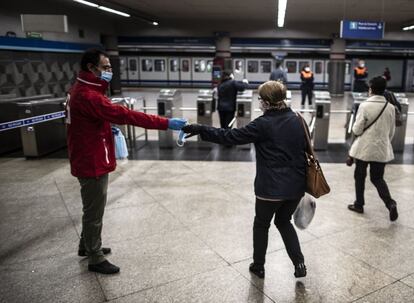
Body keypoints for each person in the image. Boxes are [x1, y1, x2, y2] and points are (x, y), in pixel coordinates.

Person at [66, 49, 187, 274]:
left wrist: (102, 126)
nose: (110, 71)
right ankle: (95, 256)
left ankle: (87, 245)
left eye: (110, 67)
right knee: (94, 209)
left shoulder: (81, 88)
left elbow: (86, 121)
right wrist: (166, 123)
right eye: (105, 67)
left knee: (91, 206)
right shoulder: (89, 95)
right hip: (91, 159)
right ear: (91, 68)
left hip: (87, 153)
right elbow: (127, 115)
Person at [183, 81, 308, 278]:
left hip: (270, 188)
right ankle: (299, 263)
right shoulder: (298, 119)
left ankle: (259, 265)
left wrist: (201, 129)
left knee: (261, 224)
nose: (259, 103)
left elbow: (230, 136)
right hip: (296, 186)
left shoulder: (263, 124)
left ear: (266, 102)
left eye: (260, 99)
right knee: (284, 221)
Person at [347, 76, 398, 221]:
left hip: (364, 149)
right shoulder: (390, 107)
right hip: (381, 148)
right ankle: (390, 203)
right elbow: (391, 131)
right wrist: (384, 142)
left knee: (359, 177)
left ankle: (359, 204)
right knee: (377, 178)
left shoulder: (364, 106)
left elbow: (357, 129)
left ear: (371, 89)